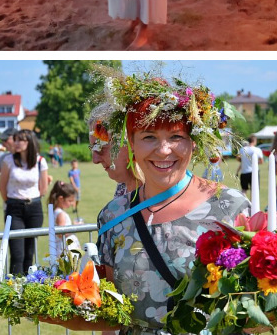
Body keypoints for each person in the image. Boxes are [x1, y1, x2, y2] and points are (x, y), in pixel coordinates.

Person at [50, 71, 250, 332]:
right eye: (148, 137)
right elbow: (113, 313)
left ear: (194, 143)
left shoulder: (229, 207)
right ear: (130, 143)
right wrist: (50, 309)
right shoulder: (113, 216)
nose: (164, 150)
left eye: (177, 136)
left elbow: (249, 308)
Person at [0, 129, 48, 275]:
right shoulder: (9, 160)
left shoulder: (40, 161)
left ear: (29, 142)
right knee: (17, 253)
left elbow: (43, 189)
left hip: (34, 208)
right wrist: (13, 202)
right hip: (14, 208)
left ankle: (27, 286)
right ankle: (14, 287)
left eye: (21, 140)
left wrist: (31, 199)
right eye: (16, 139)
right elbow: (2, 187)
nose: (17, 143)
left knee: (29, 252)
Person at [48, 181, 80, 257]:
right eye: (70, 201)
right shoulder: (60, 214)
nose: (72, 203)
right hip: (65, 249)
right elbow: (60, 233)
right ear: (61, 199)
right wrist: (75, 228)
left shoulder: (56, 212)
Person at [237, 135, 263, 201]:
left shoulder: (242, 149)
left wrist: (244, 161)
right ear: (254, 141)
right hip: (254, 172)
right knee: (254, 190)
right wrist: (253, 163)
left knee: (243, 190)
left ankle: (244, 203)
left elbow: (238, 158)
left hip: (244, 171)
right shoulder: (257, 150)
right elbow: (261, 161)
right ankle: (252, 204)